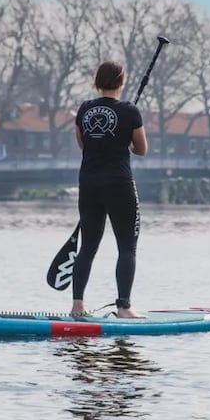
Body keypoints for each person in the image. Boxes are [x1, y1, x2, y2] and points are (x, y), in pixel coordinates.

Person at [71, 61, 148, 319]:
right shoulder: (130, 112)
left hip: (89, 185)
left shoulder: (84, 109)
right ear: (121, 82)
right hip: (119, 185)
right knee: (127, 247)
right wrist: (123, 142)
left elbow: (82, 143)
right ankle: (124, 307)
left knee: (88, 246)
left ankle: (77, 306)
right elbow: (141, 149)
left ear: (97, 81)